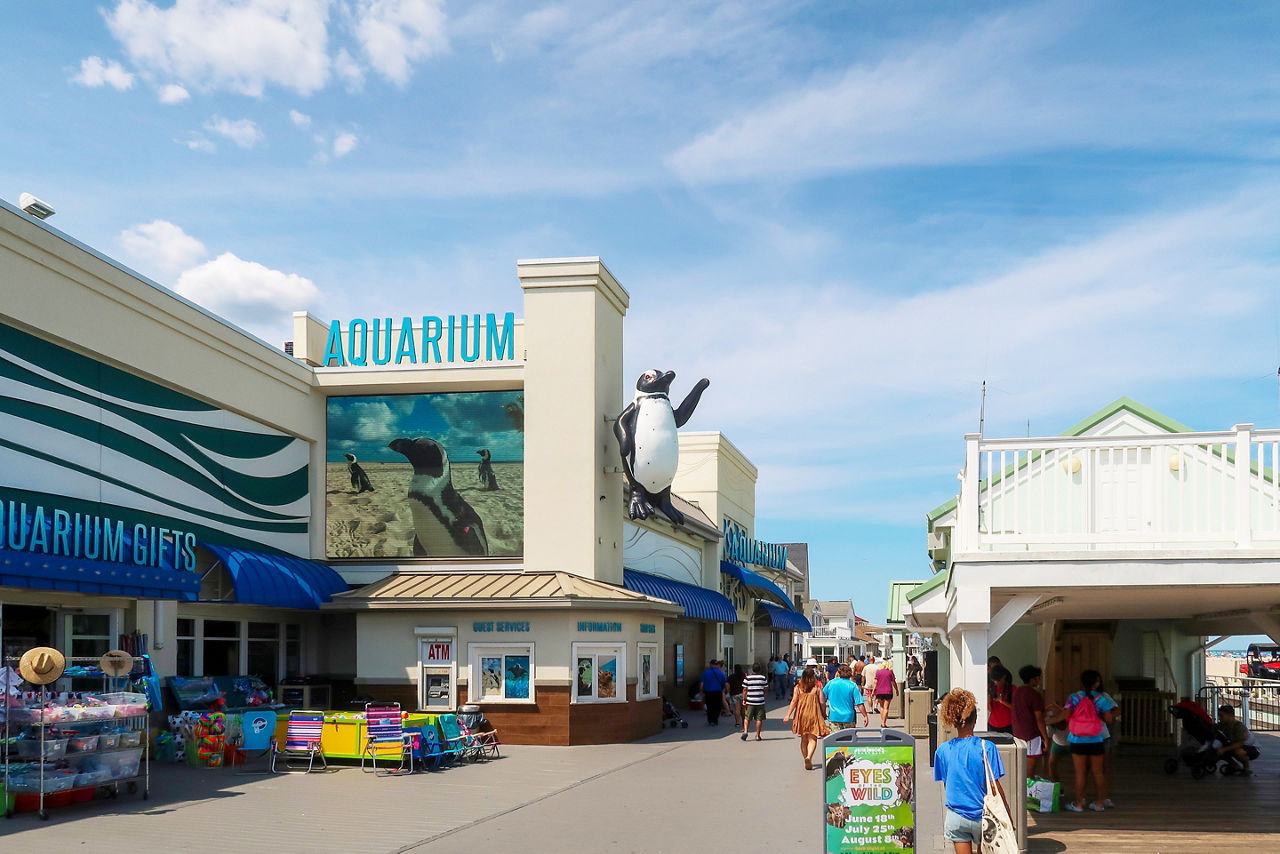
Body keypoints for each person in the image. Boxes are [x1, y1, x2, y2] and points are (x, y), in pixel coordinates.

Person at [934, 688, 1010, 854]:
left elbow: (948, 785)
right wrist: (1007, 812)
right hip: (984, 817)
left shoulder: (942, 751)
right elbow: (994, 786)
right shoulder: (987, 748)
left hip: (957, 816)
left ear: (953, 722)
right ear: (975, 719)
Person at [1062, 669, 1118, 812]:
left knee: (1080, 773)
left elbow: (1066, 715)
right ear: (1096, 683)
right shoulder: (1101, 699)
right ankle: (1099, 803)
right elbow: (1109, 719)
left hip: (1077, 739)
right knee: (1098, 772)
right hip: (1095, 739)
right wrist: (1095, 717)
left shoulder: (1074, 697)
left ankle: (1079, 803)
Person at [782, 666, 829, 770]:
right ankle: (809, 757)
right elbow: (822, 702)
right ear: (813, 676)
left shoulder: (798, 688)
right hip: (814, 713)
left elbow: (794, 701)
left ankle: (806, 758)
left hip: (801, 714)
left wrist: (788, 715)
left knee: (804, 739)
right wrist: (823, 713)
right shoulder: (817, 688)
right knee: (813, 738)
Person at [1012, 664, 1051, 778]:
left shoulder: (1017, 692)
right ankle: (1027, 790)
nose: (1040, 680)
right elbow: (1039, 719)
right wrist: (1045, 738)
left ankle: (1025, 787)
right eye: (1039, 678)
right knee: (1031, 763)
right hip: (1030, 734)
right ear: (1034, 679)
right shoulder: (1034, 694)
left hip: (1018, 732)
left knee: (1022, 763)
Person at [823, 663, 869, 729]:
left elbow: (822, 699)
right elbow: (859, 703)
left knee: (835, 738)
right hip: (849, 717)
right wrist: (865, 716)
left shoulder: (831, 683)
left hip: (834, 717)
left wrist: (822, 713)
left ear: (838, 673)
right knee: (849, 738)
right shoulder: (852, 685)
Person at [1216, 705, 1259, 774]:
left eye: (1221, 716)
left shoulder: (1239, 726)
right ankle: (1234, 765)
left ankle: (1246, 767)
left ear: (1230, 715)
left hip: (1251, 748)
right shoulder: (1223, 725)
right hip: (1237, 744)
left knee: (1238, 752)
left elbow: (1240, 743)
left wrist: (1224, 749)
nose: (1219, 718)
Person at [741, 662, 770, 741]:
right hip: (760, 701)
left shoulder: (747, 678)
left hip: (750, 701)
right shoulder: (763, 678)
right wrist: (763, 695)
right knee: (759, 718)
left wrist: (744, 699)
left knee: (747, 717)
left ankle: (746, 731)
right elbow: (765, 688)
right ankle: (757, 735)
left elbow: (744, 689)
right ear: (759, 670)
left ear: (752, 669)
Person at [700, 659, 728, 726]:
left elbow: (702, 684)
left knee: (710, 706)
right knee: (717, 706)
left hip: (708, 692)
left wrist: (701, 691)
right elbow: (725, 683)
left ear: (710, 664)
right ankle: (715, 719)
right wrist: (727, 690)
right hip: (718, 692)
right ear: (717, 665)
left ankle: (710, 720)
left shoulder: (706, 672)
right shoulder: (721, 673)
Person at [987, 665, 1014, 735]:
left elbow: (1016, 708)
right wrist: (988, 701)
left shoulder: (1012, 689)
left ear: (1004, 677)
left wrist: (1002, 701)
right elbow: (990, 710)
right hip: (993, 724)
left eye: (998, 680)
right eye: (994, 681)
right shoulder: (991, 688)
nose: (996, 683)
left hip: (1008, 725)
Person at [872, 656, 897, 727]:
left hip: (879, 692)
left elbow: (875, 682)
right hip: (888, 691)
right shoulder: (890, 672)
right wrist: (897, 690)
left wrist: (873, 691)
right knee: (886, 707)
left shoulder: (878, 673)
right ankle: (883, 722)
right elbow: (893, 682)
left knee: (882, 707)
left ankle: (882, 722)